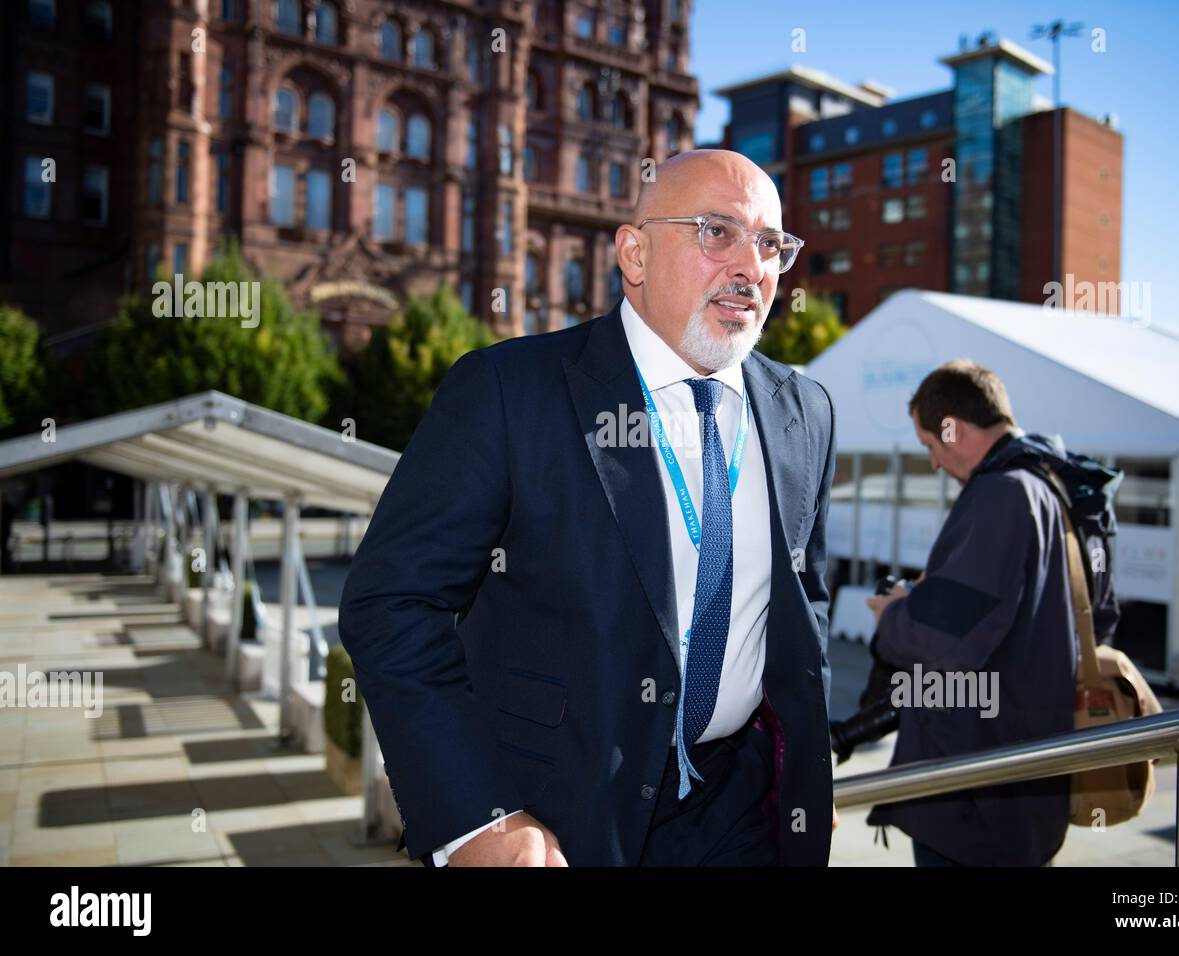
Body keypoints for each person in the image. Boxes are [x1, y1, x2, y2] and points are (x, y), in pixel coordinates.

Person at [339, 149, 838, 867]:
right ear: (633, 253)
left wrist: (802, 782)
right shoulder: (509, 392)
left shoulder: (806, 410)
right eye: (715, 231)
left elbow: (804, 611)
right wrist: (474, 821)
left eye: (770, 244)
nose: (750, 266)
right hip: (555, 822)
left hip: (744, 812)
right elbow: (391, 603)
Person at [865, 360, 1076, 867]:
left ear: (952, 429)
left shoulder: (999, 495)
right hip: (1026, 786)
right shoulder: (1049, 481)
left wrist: (894, 614)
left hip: (974, 795)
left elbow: (942, 641)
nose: (934, 463)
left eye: (930, 446)